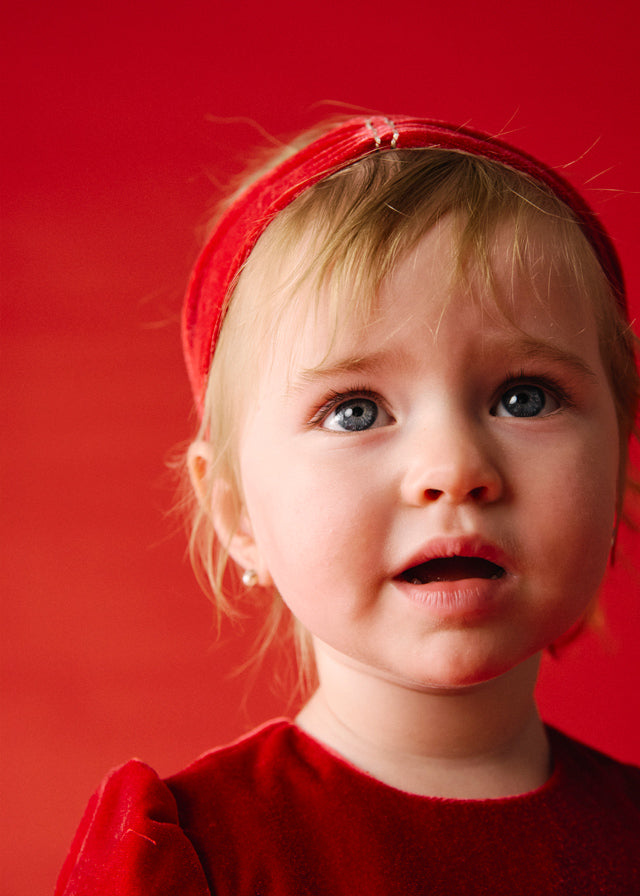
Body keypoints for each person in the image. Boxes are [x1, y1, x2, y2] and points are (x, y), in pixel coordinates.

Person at [55, 116, 640, 895]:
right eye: (355, 410)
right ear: (236, 515)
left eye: (523, 396)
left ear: (619, 466)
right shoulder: (191, 859)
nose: (456, 468)